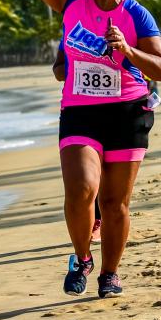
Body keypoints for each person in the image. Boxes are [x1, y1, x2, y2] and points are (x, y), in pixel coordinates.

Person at [11, 0, 161, 298]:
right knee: (81, 190)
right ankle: (82, 256)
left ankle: (110, 273)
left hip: (128, 111)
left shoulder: (136, 14)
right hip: (81, 111)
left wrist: (128, 50)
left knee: (116, 203)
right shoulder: (71, 0)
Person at [54, 43, 101, 243]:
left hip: (121, 109)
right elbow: (58, 71)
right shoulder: (74, 32)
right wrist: (80, 64)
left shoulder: (128, 21)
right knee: (87, 178)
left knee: (109, 177)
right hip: (79, 109)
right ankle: (96, 221)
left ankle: (104, 219)